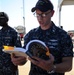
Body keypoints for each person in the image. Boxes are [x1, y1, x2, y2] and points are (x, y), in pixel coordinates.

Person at [11, 0, 73, 75]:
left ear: (52, 13)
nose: (40, 18)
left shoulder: (63, 36)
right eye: (37, 14)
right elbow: (25, 57)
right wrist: (19, 61)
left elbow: (68, 65)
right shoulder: (31, 34)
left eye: (44, 14)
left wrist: (52, 67)